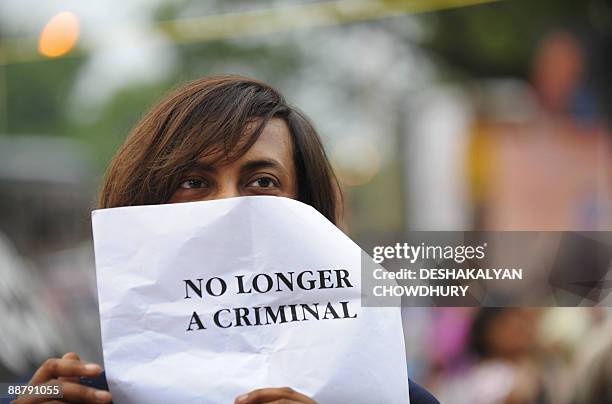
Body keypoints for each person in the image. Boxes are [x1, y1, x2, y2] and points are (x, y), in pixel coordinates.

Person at [15, 75, 438, 404]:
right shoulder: (77, 393)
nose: (227, 205)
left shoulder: (392, 396)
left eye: (262, 181)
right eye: (194, 181)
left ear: (307, 207)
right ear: (144, 198)